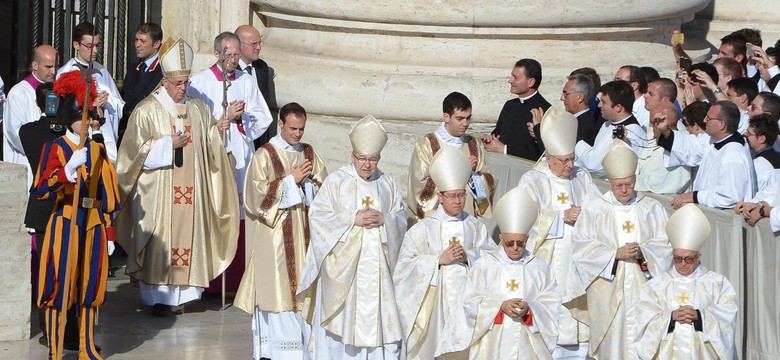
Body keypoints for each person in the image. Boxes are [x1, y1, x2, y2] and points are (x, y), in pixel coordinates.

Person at [115, 38, 239, 316]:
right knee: (161, 240)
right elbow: (131, 155)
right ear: (165, 82)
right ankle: (158, 299)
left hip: (191, 191)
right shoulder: (147, 110)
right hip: (158, 191)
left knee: (187, 236)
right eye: (178, 83)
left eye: (186, 82)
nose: (183, 88)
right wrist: (164, 145)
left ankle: (181, 296)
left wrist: (217, 132)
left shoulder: (198, 108)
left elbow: (209, 146)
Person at [297, 115, 407, 358]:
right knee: (342, 329)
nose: (367, 165)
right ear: (352, 156)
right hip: (346, 272)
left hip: (378, 271)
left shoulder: (387, 183)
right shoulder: (337, 181)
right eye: (362, 159)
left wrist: (386, 220)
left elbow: (400, 217)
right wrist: (352, 219)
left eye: (372, 159)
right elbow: (318, 217)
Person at [34, 70, 120, 360]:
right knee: (60, 287)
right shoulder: (55, 147)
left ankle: (86, 348)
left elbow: (108, 194)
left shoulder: (96, 147)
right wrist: (66, 172)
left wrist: (109, 231)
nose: (90, 120)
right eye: (86, 116)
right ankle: (55, 352)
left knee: (90, 287)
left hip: (93, 223)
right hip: (66, 221)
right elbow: (41, 189)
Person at [234, 102, 327, 360]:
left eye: (302, 129)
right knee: (276, 294)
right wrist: (290, 181)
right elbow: (254, 197)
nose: (298, 134)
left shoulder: (308, 153)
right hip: (274, 239)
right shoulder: (264, 154)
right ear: (281, 124)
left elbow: (324, 190)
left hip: (304, 237)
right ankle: (273, 352)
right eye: (293, 128)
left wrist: (310, 185)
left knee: (302, 293)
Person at [188, 31, 274, 292]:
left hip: (240, 152)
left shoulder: (246, 81)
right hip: (212, 154)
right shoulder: (199, 83)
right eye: (229, 55)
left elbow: (264, 116)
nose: (234, 60)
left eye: (237, 54)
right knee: (214, 209)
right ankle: (210, 279)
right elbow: (194, 120)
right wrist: (221, 117)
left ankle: (237, 280)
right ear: (217, 54)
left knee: (239, 211)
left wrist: (241, 119)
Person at [572, 139, 672, 359]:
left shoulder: (650, 207)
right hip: (608, 289)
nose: (624, 190)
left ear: (635, 180)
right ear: (609, 183)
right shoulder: (595, 209)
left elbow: (665, 244)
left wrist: (643, 252)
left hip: (641, 287)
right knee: (613, 344)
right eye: (619, 185)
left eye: (629, 184)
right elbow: (581, 246)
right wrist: (614, 254)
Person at [394, 146, 495, 360]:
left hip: (467, 305)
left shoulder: (474, 226)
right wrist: (438, 261)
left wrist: (470, 256)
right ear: (440, 196)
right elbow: (403, 268)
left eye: (461, 195)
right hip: (434, 308)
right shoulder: (423, 228)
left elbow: (493, 258)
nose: (458, 201)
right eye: (452, 196)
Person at [440, 186, 561, 359]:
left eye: (520, 243)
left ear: (527, 240)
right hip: (490, 345)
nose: (515, 248)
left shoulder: (540, 269)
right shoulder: (484, 266)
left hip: (526, 347)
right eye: (510, 242)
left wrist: (530, 309)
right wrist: (499, 306)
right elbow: (468, 302)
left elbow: (551, 304)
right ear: (500, 239)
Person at [519, 107, 600, 359]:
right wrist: (559, 217)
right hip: (547, 263)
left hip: (577, 263)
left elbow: (598, 211)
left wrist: (586, 215)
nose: (570, 165)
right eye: (564, 160)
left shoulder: (581, 177)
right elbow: (523, 220)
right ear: (549, 157)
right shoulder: (532, 180)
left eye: (572, 158)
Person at [634, 204, 738, 359]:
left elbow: (727, 317)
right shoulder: (655, 286)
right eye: (677, 258)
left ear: (698, 257)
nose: (682, 263)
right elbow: (643, 321)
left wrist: (700, 316)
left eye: (688, 259)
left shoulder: (717, 283)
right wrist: (670, 317)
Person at [19, 82, 70, 349]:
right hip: (62, 204)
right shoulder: (68, 132)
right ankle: (65, 325)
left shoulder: (27, 131)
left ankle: (47, 328)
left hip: (40, 205)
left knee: (45, 270)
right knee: (63, 265)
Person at [407, 91, 495, 224]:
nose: (465, 123)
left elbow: (487, 181)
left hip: (466, 218)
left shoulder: (473, 145)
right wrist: (459, 172)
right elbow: (419, 185)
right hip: (436, 221)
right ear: (446, 117)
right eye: (460, 118)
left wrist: (472, 175)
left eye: (468, 118)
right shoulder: (427, 144)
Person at [654, 100, 756, 209]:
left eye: (708, 118)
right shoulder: (713, 141)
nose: (704, 120)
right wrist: (665, 131)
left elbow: (729, 198)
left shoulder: (734, 154)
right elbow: (690, 146)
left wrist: (695, 196)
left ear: (721, 124)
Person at [58, 21, 125, 162]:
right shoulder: (66, 73)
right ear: (76, 45)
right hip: (80, 145)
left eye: (97, 45)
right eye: (89, 46)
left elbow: (119, 105)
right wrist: (91, 104)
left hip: (105, 140)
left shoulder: (102, 71)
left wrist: (107, 102)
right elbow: (63, 114)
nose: (95, 50)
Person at [3, 44, 57, 187]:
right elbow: (15, 133)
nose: (53, 71)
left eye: (55, 66)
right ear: (35, 65)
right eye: (48, 67)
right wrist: (43, 152)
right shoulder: (18, 93)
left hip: (54, 164)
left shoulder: (57, 91)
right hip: (28, 162)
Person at [575, 80, 647, 179]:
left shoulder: (632, 133)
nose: (599, 105)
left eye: (603, 102)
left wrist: (576, 140)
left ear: (618, 107)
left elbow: (599, 167)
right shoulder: (607, 124)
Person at [483, 58, 551, 160]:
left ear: (531, 82)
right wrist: (490, 140)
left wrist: (505, 149)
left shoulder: (545, 110)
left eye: (515, 77)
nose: (510, 80)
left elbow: (543, 150)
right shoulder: (509, 105)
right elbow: (498, 133)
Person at [235, 24, 279, 148]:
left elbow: (263, 104)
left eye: (259, 43)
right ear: (239, 45)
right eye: (254, 44)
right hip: (237, 137)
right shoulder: (230, 70)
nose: (258, 48)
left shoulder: (262, 67)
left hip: (258, 138)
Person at [119, 22, 163, 144]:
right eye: (136, 40)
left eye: (143, 41)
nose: (137, 44)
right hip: (128, 133)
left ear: (156, 44)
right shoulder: (134, 68)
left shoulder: (164, 70)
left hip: (148, 135)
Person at [635, 101, 692, 194]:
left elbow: (656, 185)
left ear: (664, 123)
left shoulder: (679, 149)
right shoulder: (654, 140)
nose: (650, 126)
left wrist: (629, 182)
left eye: (652, 122)